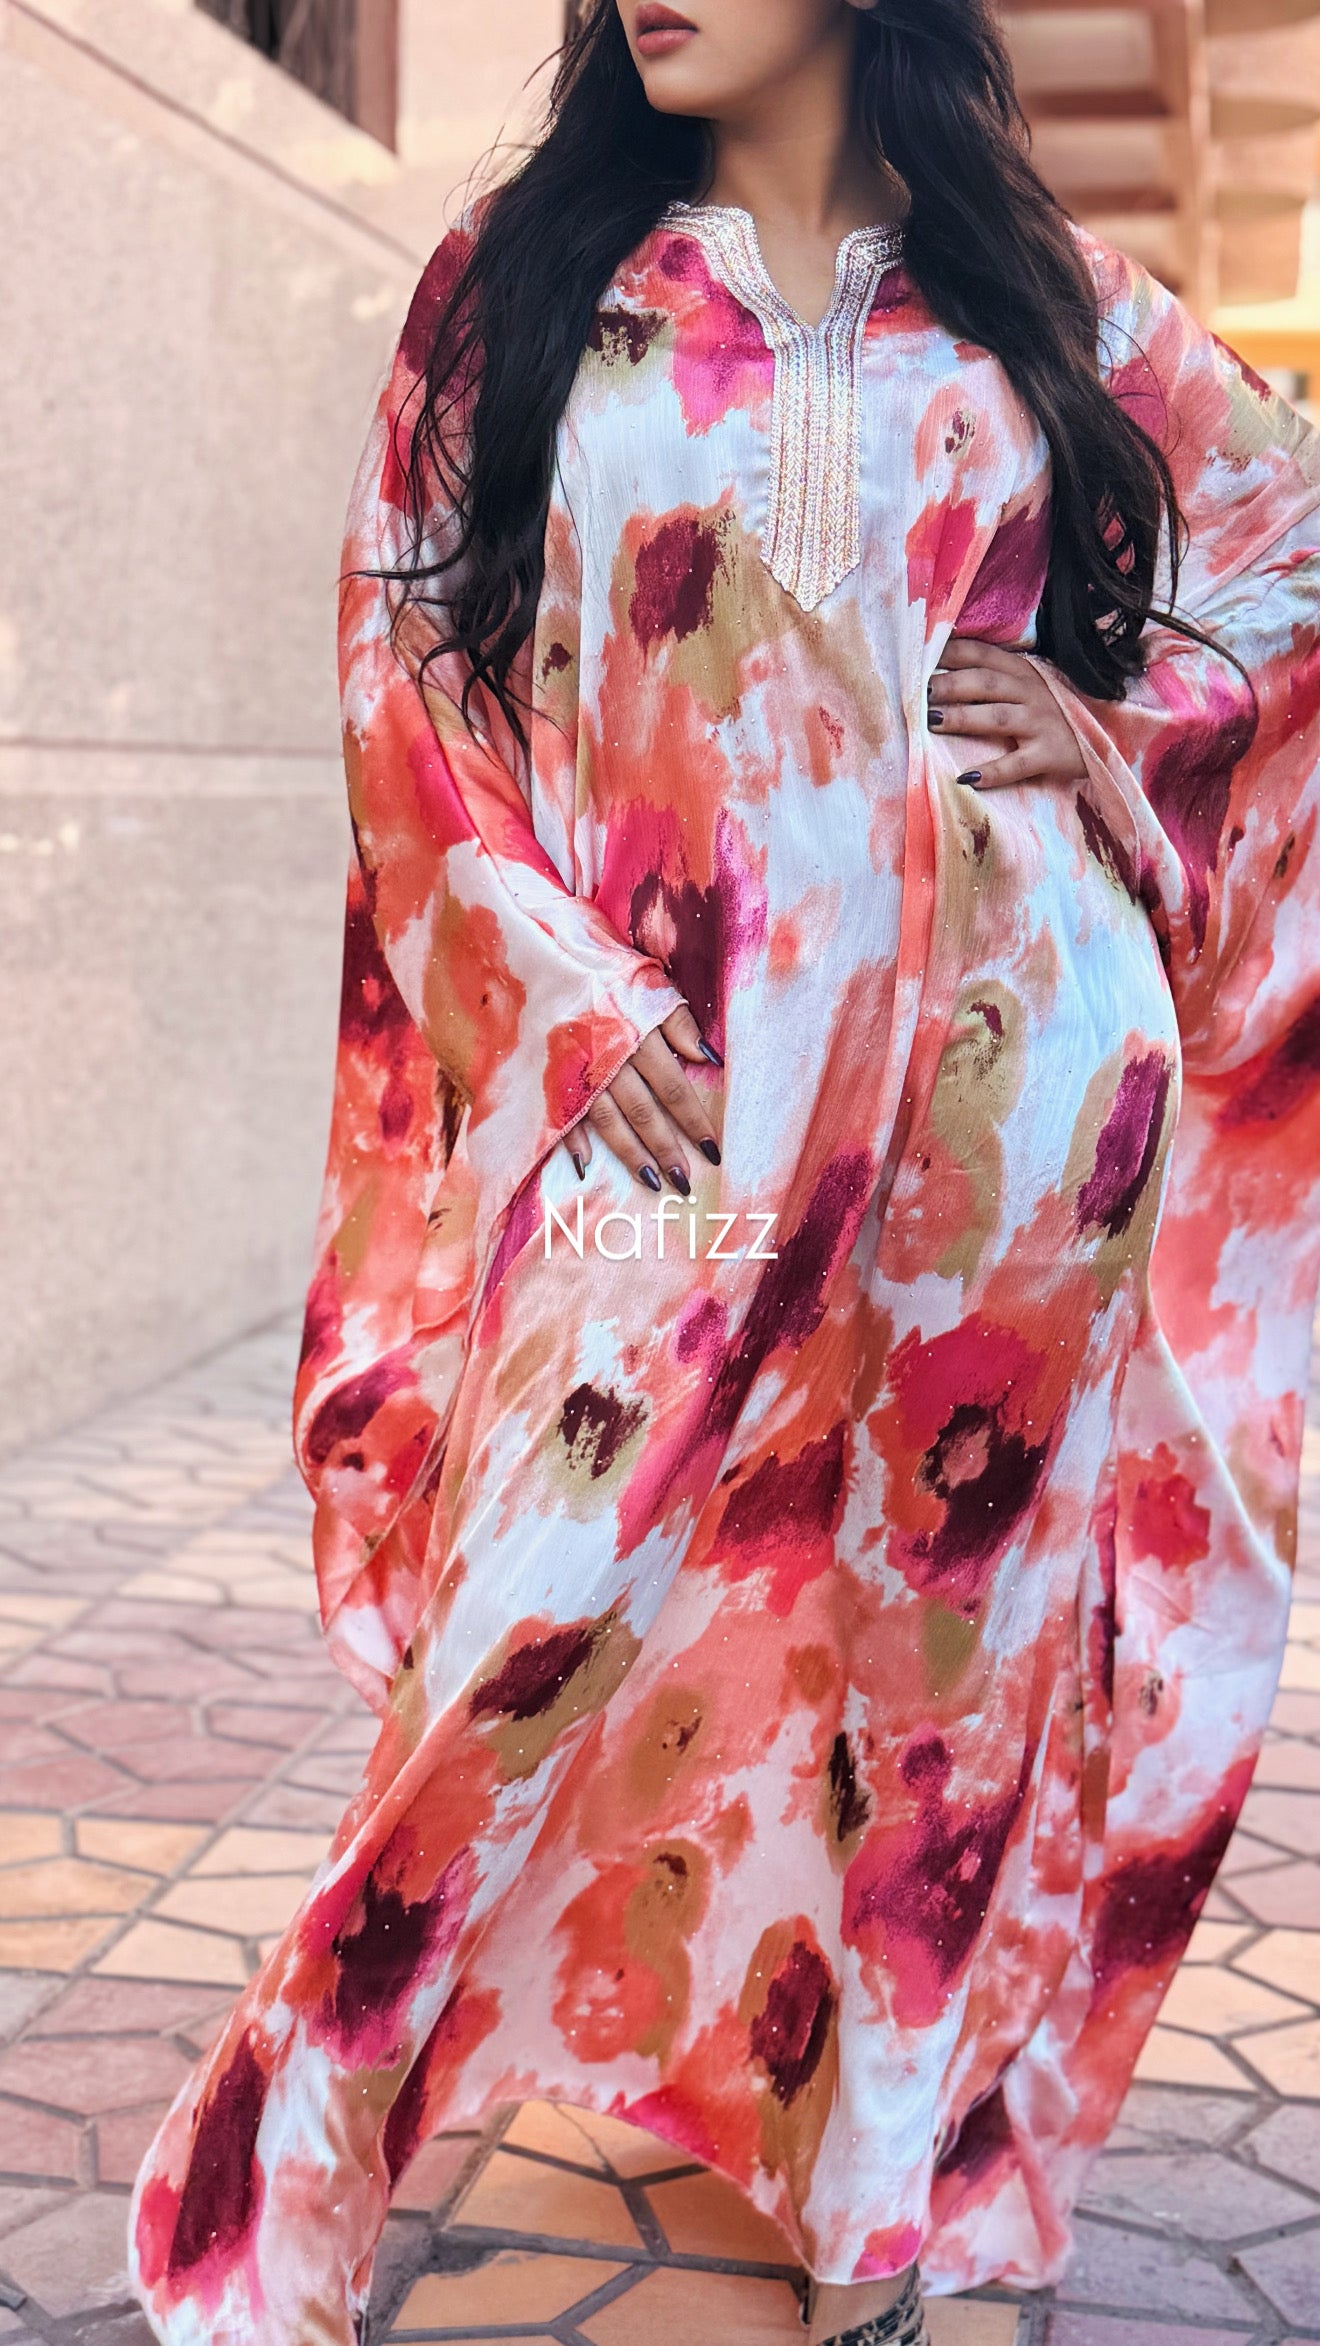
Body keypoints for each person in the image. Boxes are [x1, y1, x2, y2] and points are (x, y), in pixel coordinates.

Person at [128, 3, 1320, 2342]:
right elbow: (404, 672)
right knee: (535, 1604)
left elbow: (1294, 559)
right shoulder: (523, 285)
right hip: (672, 1087)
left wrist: (1122, 716)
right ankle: (293, 2174)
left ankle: (878, 2200)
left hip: (1018, 1087)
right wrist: (559, 1000)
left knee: (942, 1650)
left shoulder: (1045, 298)